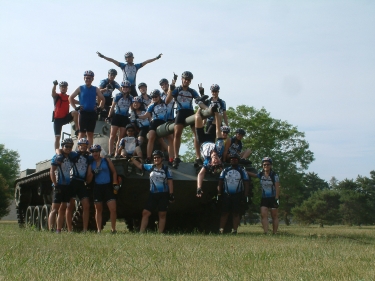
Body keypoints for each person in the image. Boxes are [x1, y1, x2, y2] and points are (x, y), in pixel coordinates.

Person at [165, 71, 205, 168]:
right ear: (182, 79)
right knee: (177, 134)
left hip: (190, 112)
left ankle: (198, 157)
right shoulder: (177, 90)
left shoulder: (192, 91)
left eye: (188, 80)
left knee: (197, 134)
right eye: (185, 79)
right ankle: (176, 157)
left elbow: (199, 101)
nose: (186, 81)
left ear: (190, 81)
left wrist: (202, 95)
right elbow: (167, 101)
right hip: (180, 112)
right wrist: (172, 88)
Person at [130, 150, 174, 233]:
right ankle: (141, 232)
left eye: (158, 157)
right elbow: (140, 166)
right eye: (154, 158)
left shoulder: (166, 169)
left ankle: (160, 233)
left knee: (162, 214)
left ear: (162, 159)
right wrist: (132, 159)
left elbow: (170, 182)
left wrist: (171, 194)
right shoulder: (151, 167)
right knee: (145, 213)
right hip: (153, 195)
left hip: (163, 195)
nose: (156, 159)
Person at [96, 51, 162, 97]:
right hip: (125, 86)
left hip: (132, 86)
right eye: (128, 57)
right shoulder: (123, 66)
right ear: (126, 59)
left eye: (131, 57)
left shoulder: (136, 66)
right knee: (121, 99)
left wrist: (156, 58)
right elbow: (113, 60)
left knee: (137, 100)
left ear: (133, 58)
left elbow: (146, 62)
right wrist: (103, 56)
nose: (130, 58)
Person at [86, 144, 118, 233]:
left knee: (113, 209)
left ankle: (113, 229)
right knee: (98, 210)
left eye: (96, 151)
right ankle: (99, 230)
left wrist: (115, 182)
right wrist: (92, 172)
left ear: (99, 152)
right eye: (93, 152)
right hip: (97, 187)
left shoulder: (106, 160)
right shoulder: (91, 164)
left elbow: (114, 172)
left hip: (107, 186)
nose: (95, 153)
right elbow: (88, 180)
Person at [69, 70, 105, 146]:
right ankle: (79, 150)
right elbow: (70, 98)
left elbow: (103, 99)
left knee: (90, 133)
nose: (88, 80)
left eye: (89, 78)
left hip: (92, 113)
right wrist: (76, 108)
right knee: (81, 133)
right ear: (84, 78)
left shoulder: (95, 89)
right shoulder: (80, 88)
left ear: (92, 79)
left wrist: (100, 108)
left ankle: (89, 150)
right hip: (83, 113)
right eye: (86, 78)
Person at [217, 154, 250, 234]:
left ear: (238, 160)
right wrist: (219, 193)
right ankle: (221, 230)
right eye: (231, 159)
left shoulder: (242, 170)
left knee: (236, 213)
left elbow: (246, 183)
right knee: (224, 212)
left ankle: (235, 230)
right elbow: (220, 182)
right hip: (226, 194)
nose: (233, 160)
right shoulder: (225, 170)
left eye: (235, 159)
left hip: (238, 195)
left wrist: (246, 196)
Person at [65, 138, 92, 232]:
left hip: (81, 182)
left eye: (85, 146)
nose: (83, 147)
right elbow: (63, 152)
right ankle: (69, 229)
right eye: (81, 145)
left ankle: (85, 229)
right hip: (73, 181)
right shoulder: (73, 154)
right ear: (78, 146)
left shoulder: (88, 157)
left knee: (86, 205)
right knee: (70, 205)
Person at [247, 157, 280, 234]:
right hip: (264, 198)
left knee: (274, 215)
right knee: (263, 214)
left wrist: (277, 198)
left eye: (268, 164)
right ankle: (266, 232)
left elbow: (277, 187)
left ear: (271, 165)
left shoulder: (274, 175)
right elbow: (254, 175)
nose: (266, 166)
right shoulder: (261, 174)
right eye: (264, 164)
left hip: (273, 197)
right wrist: (245, 171)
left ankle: (274, 233)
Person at [138, 89, 172, 163]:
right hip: (154, 122)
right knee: (151, 137)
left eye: (156, 96)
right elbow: (146, 115)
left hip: (163, 122)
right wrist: (138, 117)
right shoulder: (151, 105)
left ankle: (172, 157)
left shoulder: (165, 102)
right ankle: (148, 157)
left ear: (159, 96)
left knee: (169, 138)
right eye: (153, 97)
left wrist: (172, 86)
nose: (154, 98)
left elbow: (170, 96)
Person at [48, 138, 74, 233]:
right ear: (62, 146)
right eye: (66, 146)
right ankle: (51, 229)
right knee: (54, 209)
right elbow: (52, 170)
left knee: (63, 209)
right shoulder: (57, 157)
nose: (68, 148)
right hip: (58, 184)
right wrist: (55, 184)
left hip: (66, 185)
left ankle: (58, 229)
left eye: (70, 146)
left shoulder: (69, 158)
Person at [106, 80, 133, 156]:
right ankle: (110, 152)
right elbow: (112, 107)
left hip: (124, 117)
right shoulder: (118, 96)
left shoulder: (130, 98)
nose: (125, 88)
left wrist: (132, 116)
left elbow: (132, 108)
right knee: (112, 135)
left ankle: (116, 153)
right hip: (117, 116)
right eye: (124, 87)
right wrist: (109, 116)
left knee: (120, 137)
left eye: (127, 87)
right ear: (121, 88)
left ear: (129, 88)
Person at [52, 80, 79, 152]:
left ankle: (77, 129)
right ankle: (57, 152)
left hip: (65, 117)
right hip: (57, 119)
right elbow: (53, 93)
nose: (63, 88)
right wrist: (54, 85)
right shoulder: (57, 96)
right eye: (62, 87)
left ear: (67, 88)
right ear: (60, 88)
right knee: (57, 137)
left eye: (65, 87)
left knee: (75, 113)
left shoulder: (68, 97)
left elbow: (77, 102)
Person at [160, 77, 176, 164]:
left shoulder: (173, 93)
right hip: (162, 119)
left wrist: (173, 84)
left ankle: (171, 157)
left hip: (171, 118)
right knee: (162, 138)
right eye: (162, 85)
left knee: (172, 139)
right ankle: (163, 155)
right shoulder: (160, 96)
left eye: (165, 84)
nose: (164, 86)